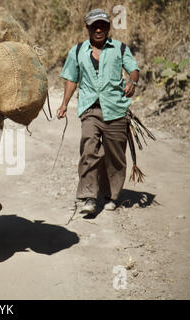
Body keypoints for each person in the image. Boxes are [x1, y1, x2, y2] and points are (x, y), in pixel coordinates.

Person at [57, 8, 140, 214]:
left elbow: (134, 69)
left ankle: (112, 195)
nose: (99, 29)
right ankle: (89, 197)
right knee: (89, 149)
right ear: (88, 28)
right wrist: (64, 104)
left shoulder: (120, 49)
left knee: (115, 156)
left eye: (103, 25)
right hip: (90, 110)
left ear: (109, 28)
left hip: (115, 109)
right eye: (95, 26)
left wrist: (132, 81)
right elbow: (71, 79)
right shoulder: (77, 51)